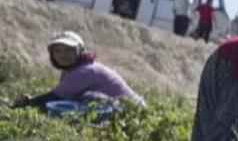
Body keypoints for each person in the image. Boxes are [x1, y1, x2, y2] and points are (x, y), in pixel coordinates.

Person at [11, 31, 145, 113]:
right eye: (58, 51)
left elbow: (54, 97)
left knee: (88, 99)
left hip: (132, 111)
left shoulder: (84, 71)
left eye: (69, 50)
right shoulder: (72, 70)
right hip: (122, 108)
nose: (63, 55)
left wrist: (28, 102)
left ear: (80, 51)